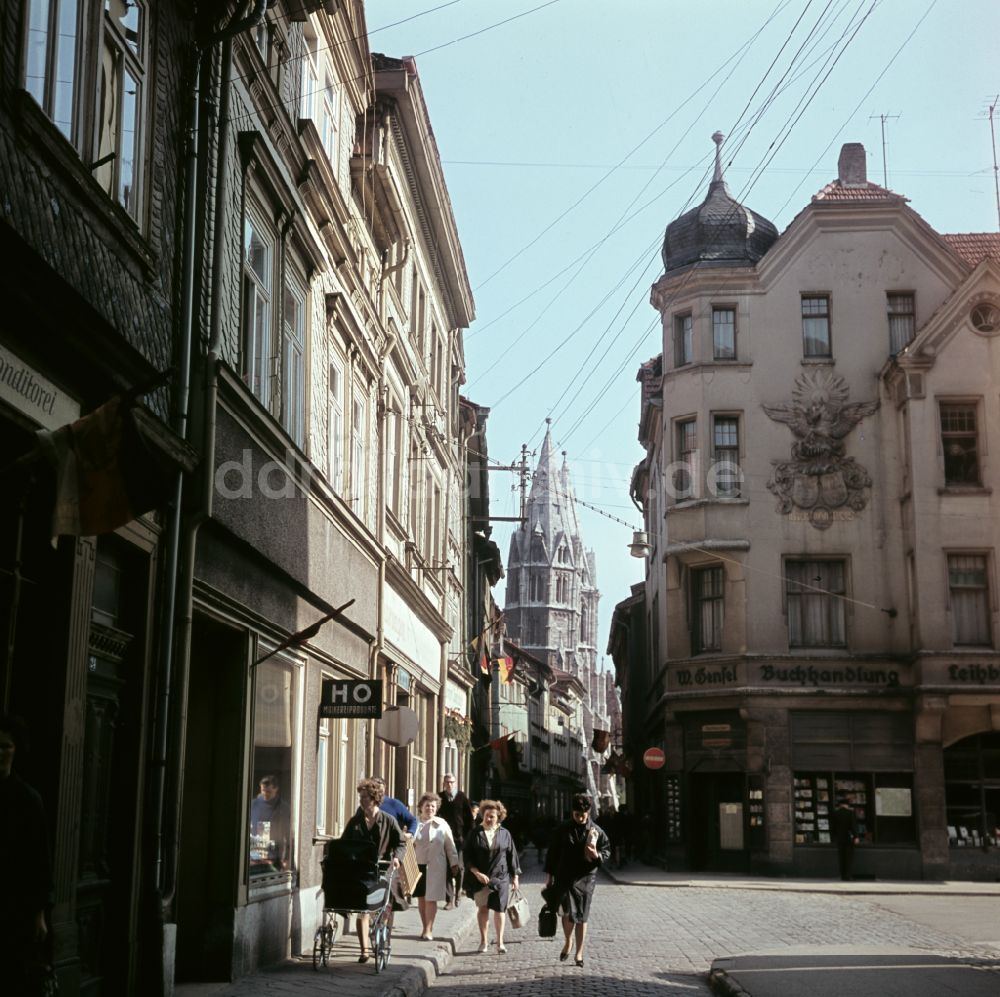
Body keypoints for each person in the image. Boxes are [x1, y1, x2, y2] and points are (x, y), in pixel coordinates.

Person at [0, 714, 53, 996]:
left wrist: (38, 913)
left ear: (16, 749)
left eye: (5, 746)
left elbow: (39, 861)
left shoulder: (28, 800)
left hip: (12, 906)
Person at [341, 778, 406, 962]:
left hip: (382, 869)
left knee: (384, 906)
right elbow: (345, 843)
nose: (362, 801)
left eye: (366, 798)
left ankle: (382, 936)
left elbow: (401, 843)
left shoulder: (388, 820)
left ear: (375, 799)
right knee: (363, 908)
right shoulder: (355, 821)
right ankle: (364, 951)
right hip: (361, 871)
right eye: (360, 797)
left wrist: (396, 859)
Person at [544, 793, 611, 967]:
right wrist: (549, 875)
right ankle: (568, 941)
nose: (580, 818)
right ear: (572, 812)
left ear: (588, 813)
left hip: (586, 878)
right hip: (564, 875)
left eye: (583, 815)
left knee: (582, 915)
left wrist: (597, 855)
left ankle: (579, 953)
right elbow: (552, 854)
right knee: (567, 911)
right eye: (577, 815)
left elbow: (606, 851)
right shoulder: (562, 829)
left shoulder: (596, 831)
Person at [463, 798, 521, 954]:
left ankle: (500, 942)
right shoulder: (475, 833)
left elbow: (512, 856)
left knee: (500, 909)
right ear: (483, 815)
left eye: (492, 816)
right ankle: (483, 942)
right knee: (483, 909)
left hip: (501, 877)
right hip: (481, 877)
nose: (488, 819)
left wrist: (515, 877)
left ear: (498, 817)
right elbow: (467, 856)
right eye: (486, 815)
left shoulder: (505, 834)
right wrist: (476, 872)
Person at [412, 793, 460, 940]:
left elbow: (450, 845)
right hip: (418, 865)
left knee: (431, 898)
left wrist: (454, 863)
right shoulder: (415, 823)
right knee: (421, 898)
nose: (430, 808)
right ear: (421, 807)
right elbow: (407, 845)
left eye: (433, 806)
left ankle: (428, 929)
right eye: (427, 805)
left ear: (437, 808)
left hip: (436, 866)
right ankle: (424, 925)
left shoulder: (442, 824)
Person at [438, 772, 473, 909]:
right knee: (446, 867)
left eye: (452, 782)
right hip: (444, 837)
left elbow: (469, 819)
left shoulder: (462, 797)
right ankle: (449, 899)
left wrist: (468, 837)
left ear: (455, 783)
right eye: (447, 782)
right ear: (443, 783)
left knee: (459, 867)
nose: (449, 784)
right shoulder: (440, 797)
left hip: (459, 838)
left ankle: (458, 893)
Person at [249, 775, 291, 874]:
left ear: (276, 789)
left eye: (268, 791)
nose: (265, 794)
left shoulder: (283, 807)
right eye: (263, 790)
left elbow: (287, 833)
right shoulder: (253, 805)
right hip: (254, 855)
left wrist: (286, 858)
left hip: (274, 856)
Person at [832, 797, 860, 881]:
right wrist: (856, 837)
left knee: (841, 857)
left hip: (840, 839)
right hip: (848, 838)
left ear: (840, 805)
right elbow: (853, 826)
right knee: (848, 858)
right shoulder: (850, 813)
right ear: (847, 805)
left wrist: (835, 836)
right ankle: (848, 875)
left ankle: (842, 875)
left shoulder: (835, 813)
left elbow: (833, 828)